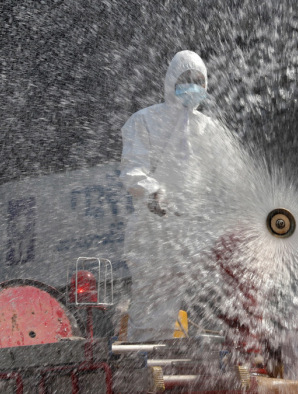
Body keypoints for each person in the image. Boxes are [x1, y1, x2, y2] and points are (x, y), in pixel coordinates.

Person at [119, 50, 223, 341]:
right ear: (170, 81)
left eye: (199, 81)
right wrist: (153, 192)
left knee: (205, 303)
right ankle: (144, 364)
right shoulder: (145, 121)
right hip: (153, 231)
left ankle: (199, 359)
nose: (193, 86)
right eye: (185, 79)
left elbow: (224, 178)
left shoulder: (209, 129)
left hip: (194, 231)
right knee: (153, 305)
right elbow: (132, 170)